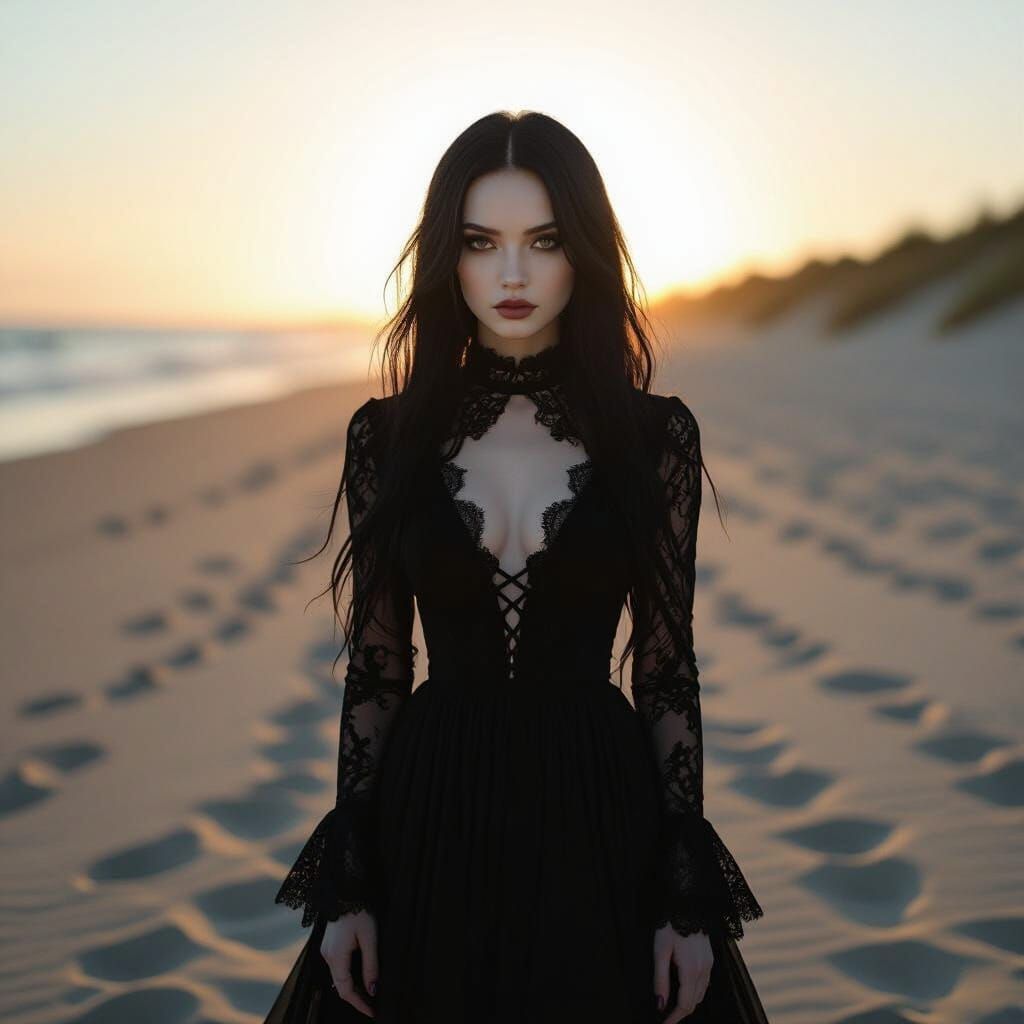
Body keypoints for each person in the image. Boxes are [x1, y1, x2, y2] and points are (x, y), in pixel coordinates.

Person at [263, 110, 768, 1024]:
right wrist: (352, 885)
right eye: (479, 242)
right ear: (446, 258)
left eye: (543, 240)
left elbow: (665, 668)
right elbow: (377, 669)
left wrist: (683, 894)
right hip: (431, 810)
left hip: (597, 809)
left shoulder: (655, 436)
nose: (511, 274)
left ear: (584, 251)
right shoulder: (386, 435)